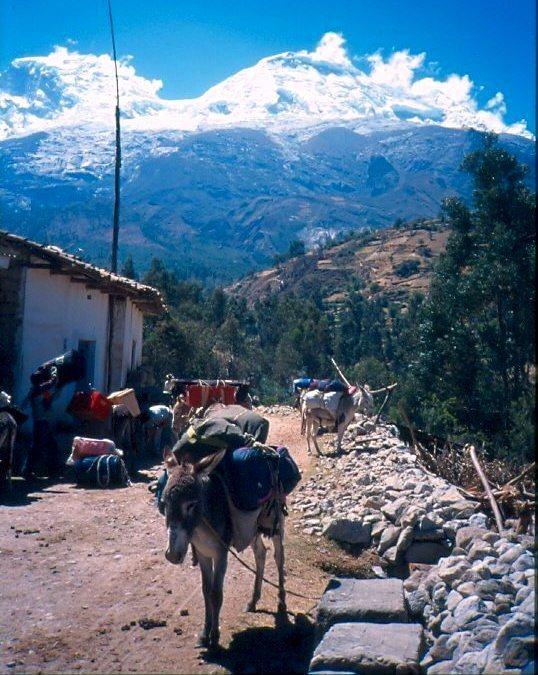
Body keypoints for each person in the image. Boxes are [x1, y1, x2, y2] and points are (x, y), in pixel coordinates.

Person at [21, 368, 63, 479]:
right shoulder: (38, 389)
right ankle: (28, 471)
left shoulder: (36, 390)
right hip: (41, 423)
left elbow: (49, 399)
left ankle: (51, 470)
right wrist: (54, 369)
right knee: (39, 447)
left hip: (42, 422)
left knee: (47, 446)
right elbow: (53, 381)